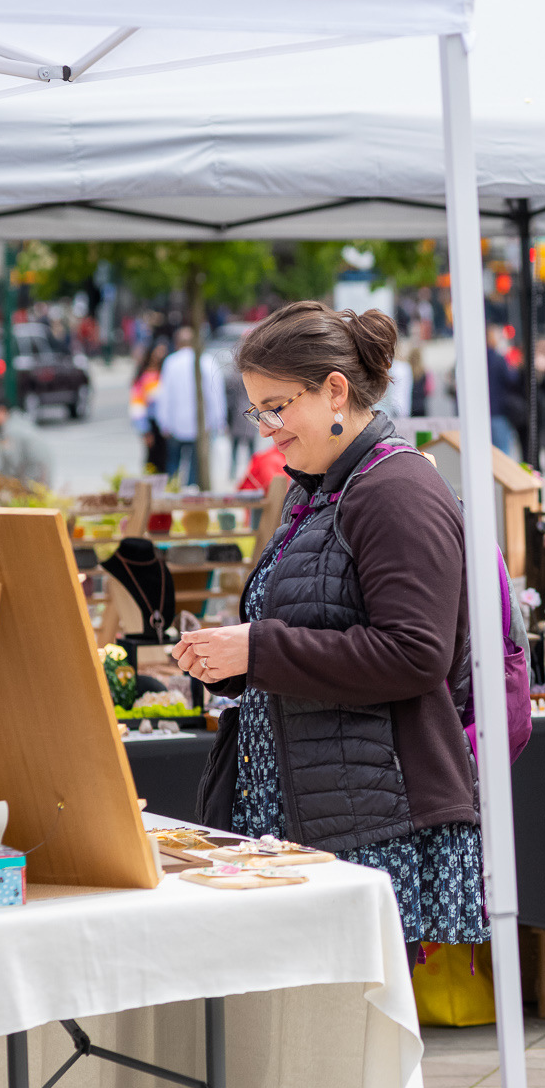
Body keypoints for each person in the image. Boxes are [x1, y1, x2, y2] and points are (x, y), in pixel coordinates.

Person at [174, 301, 485, 965]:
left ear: (336, 390)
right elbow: (317, 630)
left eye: (277, 407)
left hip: (365, 819)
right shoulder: (319, 489)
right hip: (325, 805)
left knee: (348, 1038)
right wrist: (234, 657)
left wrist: (257, 649)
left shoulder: (394, 489)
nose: (267, 430)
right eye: (258, 412)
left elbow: (415, 653)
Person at [153, 326, 227, 484]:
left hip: (175, 423)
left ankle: (173, 491)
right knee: (196, 466)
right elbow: (216, 395)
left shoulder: (171, 362)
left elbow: (165, 395)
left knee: (173, 464)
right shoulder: (206, 361)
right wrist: (219, 421)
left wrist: (164, 421)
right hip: (201, 424)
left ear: (177, 342)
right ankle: (190, 494)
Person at [0, 389, 53, 487]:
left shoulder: (11, 432)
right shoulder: (18, 423)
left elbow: (10, 470)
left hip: (33, 487)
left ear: (1, 411)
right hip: (40, 483)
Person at [128, 339, 169, 475]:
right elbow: (137, 405)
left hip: (166, 425)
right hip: (152, 424)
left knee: (166, 461)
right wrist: (144, 430)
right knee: (152, 460)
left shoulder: (166, 374)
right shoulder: (144, 377)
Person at [486, 324, 522, 458]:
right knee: (503, 452)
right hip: (498, 411)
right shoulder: (498, 359)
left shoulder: (477, 358)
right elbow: (512, 380)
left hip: (484, 413)